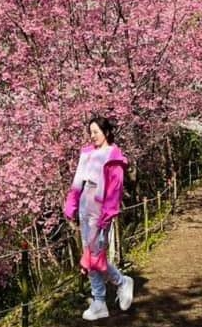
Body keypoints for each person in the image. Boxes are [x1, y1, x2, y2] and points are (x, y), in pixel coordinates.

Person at [64, 117, 134, 320]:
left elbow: (116, 187)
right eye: (91, 132)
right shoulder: (87, 153)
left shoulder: (113, 155)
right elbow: (78, 180)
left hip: (100, 205)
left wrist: (109, 212)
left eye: (96, 131)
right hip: (86, 200)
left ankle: (121, 282)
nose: (93, 135)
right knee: (89, 254)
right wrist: (72, 203)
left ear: (106, 132)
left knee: (95, 254)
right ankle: (99, 302)